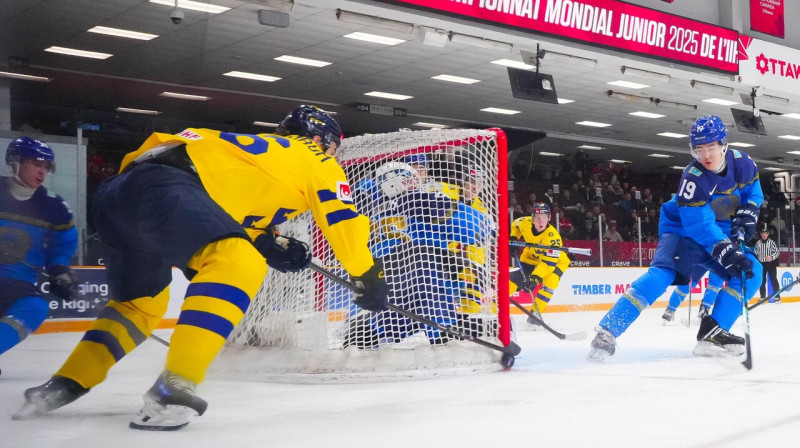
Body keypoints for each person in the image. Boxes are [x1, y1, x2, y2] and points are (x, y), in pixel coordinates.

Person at [15, 105, 390, 430]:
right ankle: (174, 386)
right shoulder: (314, 156)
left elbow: (227, 205)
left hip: (120, 194)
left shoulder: (253, 152)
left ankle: (65, 384)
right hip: (168, 188)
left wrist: (270, 243)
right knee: (237, 262)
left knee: (139, 305)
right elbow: (343, 220)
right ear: (324, 140)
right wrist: (367, 275)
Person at [587, 115, 763, 361]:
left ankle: (713, 332)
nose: (705, 155)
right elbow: (699, 226)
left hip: (718, 230)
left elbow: (753, 192)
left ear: (723, 144)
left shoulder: (742, 162)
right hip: (682, 230)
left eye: (710, 147)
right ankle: (608, 330)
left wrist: (750, 210)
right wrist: (726, 250)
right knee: (662, 275)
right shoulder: (693, 177)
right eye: (699, 149)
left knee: (750, 271)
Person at [344, 161, 490, 347]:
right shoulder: (415, 199)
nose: (416, 181)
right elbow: (472, 226)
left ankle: (371, 331)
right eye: (410, 177)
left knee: (396, 310)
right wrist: (484, 230)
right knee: (425, 275)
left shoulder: (374, 203)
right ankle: (442, 333)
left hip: (385, 272)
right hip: (410, 270)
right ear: (393, 180)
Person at [0, 137, 77, 360]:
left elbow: (61, 244)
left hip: (17, 283)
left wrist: (59, 270)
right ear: (15, 162)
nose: (42, 172)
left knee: (35, 306)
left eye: (45, 166)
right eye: (36, 164)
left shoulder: (54, 206)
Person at [508, 203, 570, 325]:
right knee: (515, 280)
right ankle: (497, 307)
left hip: (555, 262)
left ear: (549, 218)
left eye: (544, 217)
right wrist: (514, 238)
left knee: (550, 282)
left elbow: (548, 264)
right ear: (532, 218)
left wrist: (534, 279)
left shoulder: (553, 238)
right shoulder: (524, 222)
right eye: (537, 217)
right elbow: (515, 224)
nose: (541, 221)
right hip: (531, 256)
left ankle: (535, 314)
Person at [754, 225, 780, 303]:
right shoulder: (758, 243)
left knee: (773, 279)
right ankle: (762, 297)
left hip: (771, 263)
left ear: (768, 234)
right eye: (763, 233)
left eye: (765, 233)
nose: (764, 235)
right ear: (761, 234)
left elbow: (777, 252)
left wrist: (771, 257)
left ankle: (777, 297)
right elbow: (755, 252)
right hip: (762, 264)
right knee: (762, 280)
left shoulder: (771, 242)